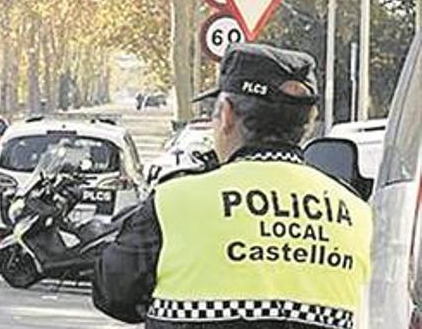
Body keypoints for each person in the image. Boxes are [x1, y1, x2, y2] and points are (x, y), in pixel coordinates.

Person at [93, 43, 372, 329]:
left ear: (226, 114)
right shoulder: (355, 212)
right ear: (310, 123)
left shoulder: (176, 200)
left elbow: (115, 295)